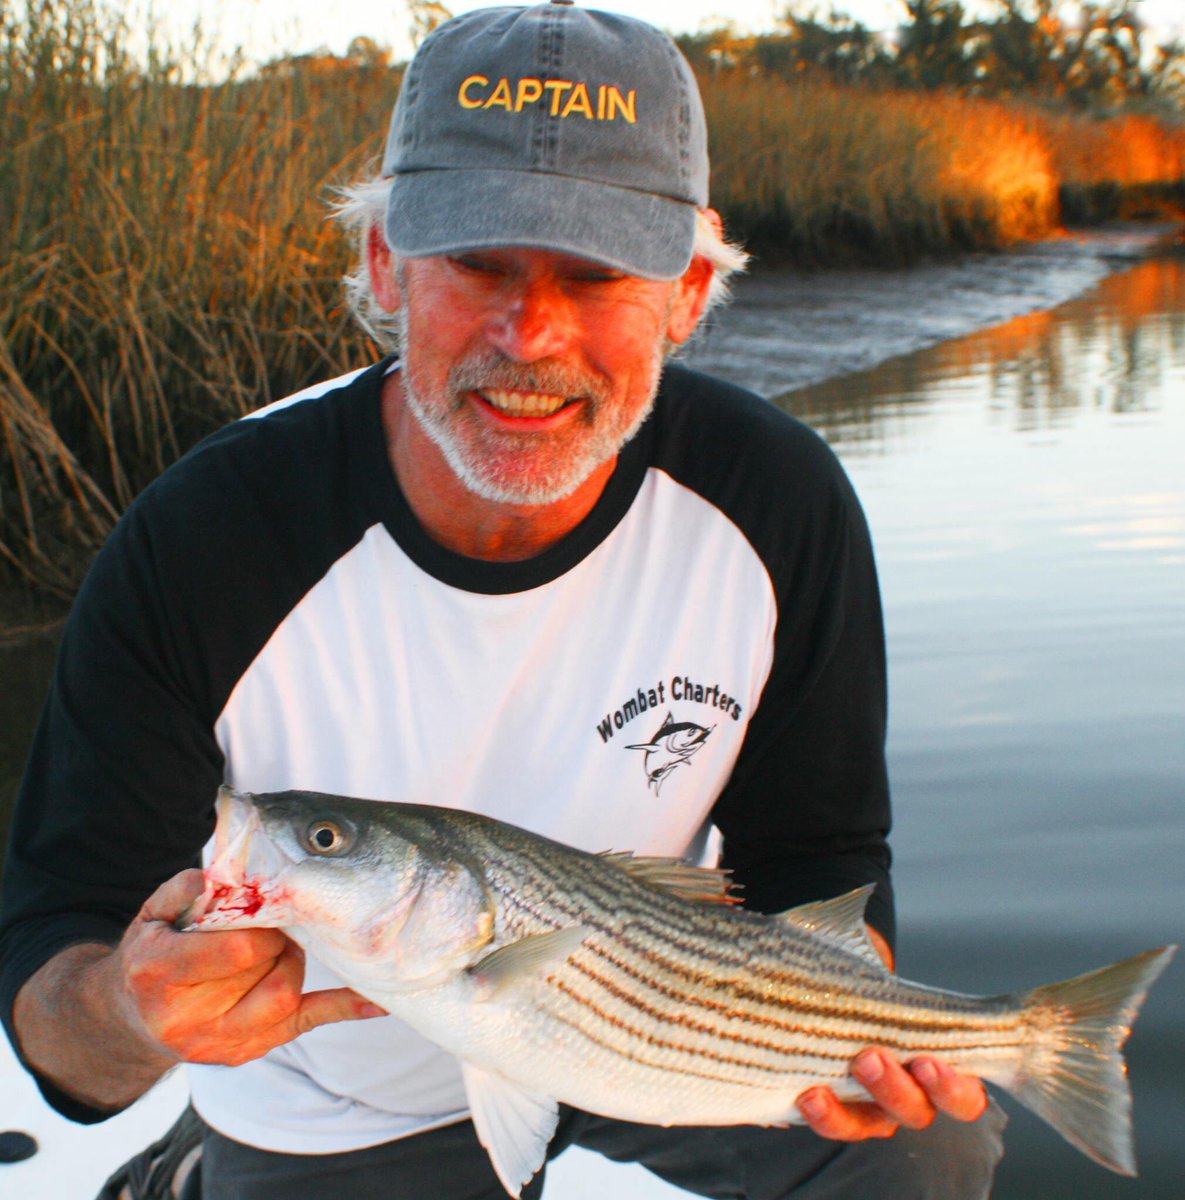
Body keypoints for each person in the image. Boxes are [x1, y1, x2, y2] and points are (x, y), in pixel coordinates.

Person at [0, 4, 1005, 1197]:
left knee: (930, 1151)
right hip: (339, 1108)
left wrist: (837, 1036)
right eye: (480, 264)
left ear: (688, 292)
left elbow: (821, 854)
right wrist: (130, 1011)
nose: (530, 336)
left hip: (665, 1045)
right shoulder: (205, 539)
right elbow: (56, 972)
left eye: (596, 275)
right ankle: (182, 1177)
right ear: (386, 262)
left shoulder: (778, 503)